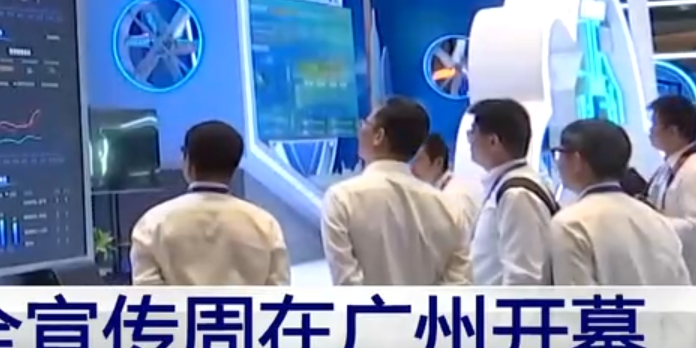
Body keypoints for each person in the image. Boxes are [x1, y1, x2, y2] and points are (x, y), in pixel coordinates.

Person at [321, 97, 470, 284]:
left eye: (365, 123)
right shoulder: (449, 208)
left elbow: (347, 283)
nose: (360, 129)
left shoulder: (342, 199)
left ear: (378, 136)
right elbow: (459, 285)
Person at [130, 121, 290, 286]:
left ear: (187, 161)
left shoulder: (153, 223)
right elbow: (278, 290)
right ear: (235, 165)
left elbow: (146, 291)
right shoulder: (265, 224)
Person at [550, 118, 690, 285]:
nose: (557, 162)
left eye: (559, 154)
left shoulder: (570, 224)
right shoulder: (657, 220)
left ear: (576, 160)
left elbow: (577, 297)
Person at [464, 99, 555, 285]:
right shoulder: (505, 186)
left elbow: (524, 278)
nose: (470, 140)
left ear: (493, 141)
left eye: (473, 133)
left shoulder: (518, 195)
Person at [649, 94, 696, 285]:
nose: (650, 131)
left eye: (654, 125)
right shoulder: (668, 167)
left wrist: (651, 224)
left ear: (673, 131)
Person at [412, 131, 481, 235]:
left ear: (438, 162)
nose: (412, 168)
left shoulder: (456, 195)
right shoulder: (438, 192)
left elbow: (460, 239)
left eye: (419, 160)